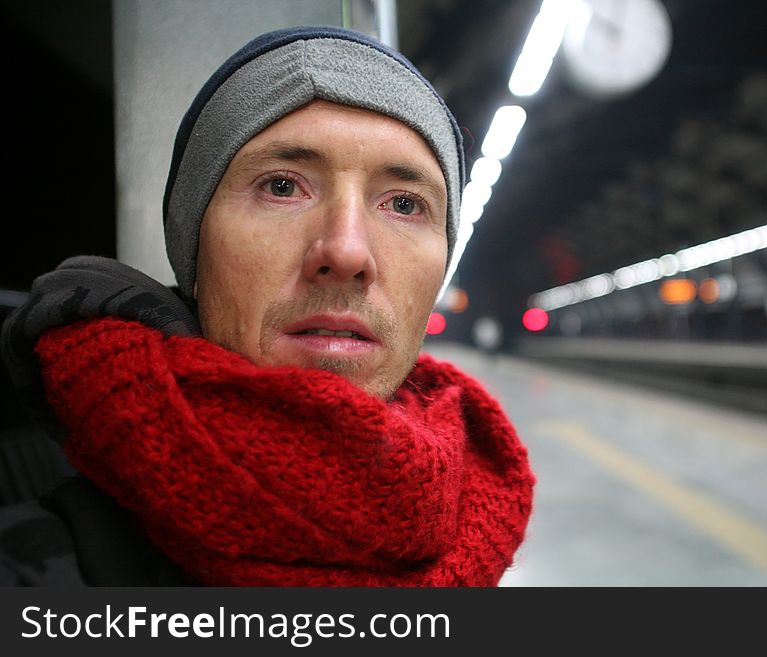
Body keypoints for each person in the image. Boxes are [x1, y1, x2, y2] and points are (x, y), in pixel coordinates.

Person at [0, 26, 534, 586]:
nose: (347, 250)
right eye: (281, 187)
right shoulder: (35, 570)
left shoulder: (479, 497)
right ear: (194, 248)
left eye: (403, 203)